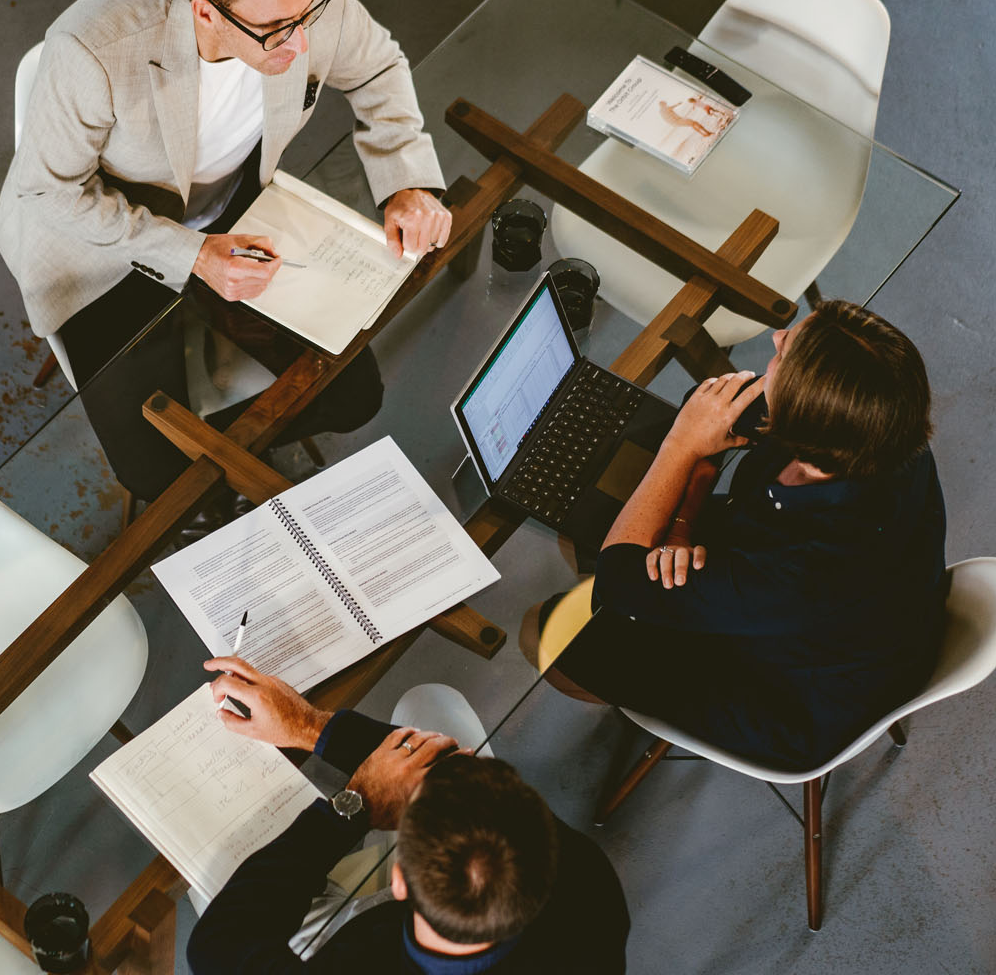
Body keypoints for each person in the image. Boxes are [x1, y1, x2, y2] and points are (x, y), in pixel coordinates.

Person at [0, 0, 452, 500]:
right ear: (206, 12)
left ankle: (225, 467)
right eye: (275, 30)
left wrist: (407, 183)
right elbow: (49, 192)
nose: (302, 45)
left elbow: (378, 68)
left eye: (306, 15)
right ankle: (204, 482)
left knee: (352, 392)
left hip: (233, 212)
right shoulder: (94, 49)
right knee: (155, 474)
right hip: (101, 246)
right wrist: (194, 257)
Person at [522, 300, 950, 772]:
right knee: (600, 520)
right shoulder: (879, 424)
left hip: (786, 700)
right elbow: (704, 404)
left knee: (540, 630)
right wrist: (681, 527)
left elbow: (618, 580)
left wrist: (681, 447)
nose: (774, 339)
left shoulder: (807, 576)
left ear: (802, 431)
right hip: (847, 625)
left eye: (784, 353)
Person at [186, 657, 630, 973]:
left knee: (203, 883)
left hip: (344, 932)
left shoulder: (355, 961)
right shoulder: (588, 883)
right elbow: (451, 767)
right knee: (432, 701)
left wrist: (353, 805)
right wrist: (308, 726)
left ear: (399, 879)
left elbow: (219, 944)